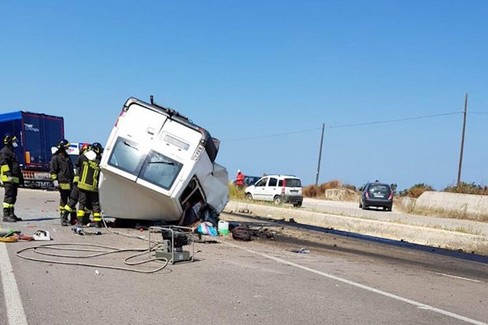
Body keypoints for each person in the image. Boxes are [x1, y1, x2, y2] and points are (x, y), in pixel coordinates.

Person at [62, 143, 91, 225]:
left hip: (78, 184)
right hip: (79, 184)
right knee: (74, 202)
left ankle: (81, 219)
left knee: (76, 202)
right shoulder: (84, 159)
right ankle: (65, 218)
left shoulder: (81, 159)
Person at [75, 142, 103, 227]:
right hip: (93, 187)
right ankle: (97, 222)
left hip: (83, 185)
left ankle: (79, 222)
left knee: (82, 204)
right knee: (95, 204)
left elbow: (77, 165)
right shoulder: (99, 161)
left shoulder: (83, 157)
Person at [50, 139, 75, 226]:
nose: (68, 148)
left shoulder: (68, 157)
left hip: (71, 183)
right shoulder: (56, 158)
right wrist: (55, 181)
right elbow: (53, 171)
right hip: (62, 183)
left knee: (72, 201)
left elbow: (71, 170)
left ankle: (73, 219)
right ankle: (63, 219)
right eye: (66, 147)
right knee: (64, 201)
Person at [0, 133, 23, 222]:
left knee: (13, 197)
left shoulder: (12, 151)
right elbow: (4, 164)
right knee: (9, 196)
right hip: (8, 178)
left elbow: (15, 165)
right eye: (13, 141)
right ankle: (6, 215)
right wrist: (8, 174)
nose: (15, 142)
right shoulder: (5, 151)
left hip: (14, 177)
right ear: (9, 141)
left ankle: (11, 214)